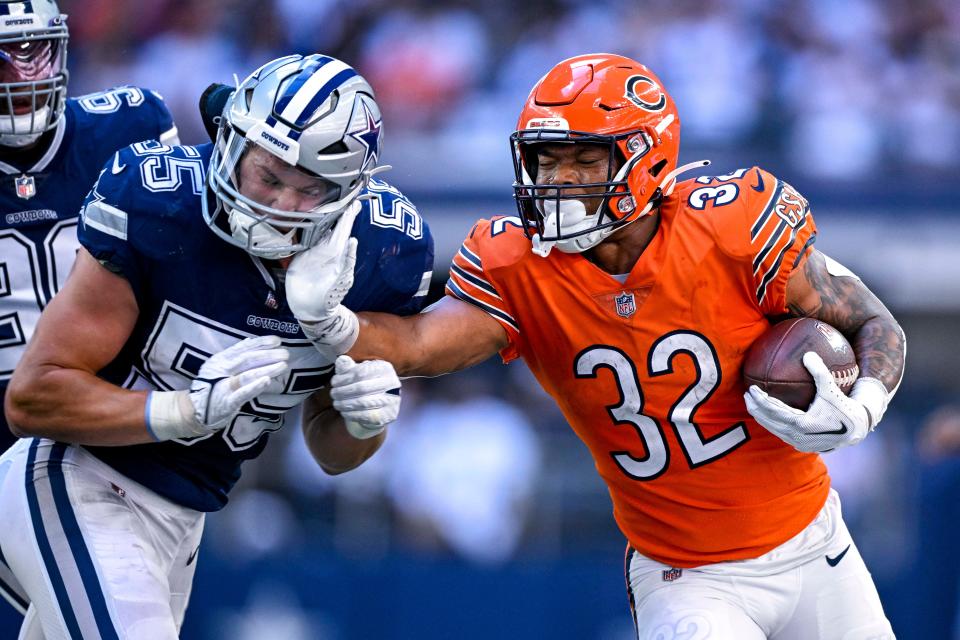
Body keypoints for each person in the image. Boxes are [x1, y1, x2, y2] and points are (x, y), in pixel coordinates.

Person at [289, 53, 906, 638]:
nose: (559, 179)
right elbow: (420, 342)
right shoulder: (520, 265)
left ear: (646, 159)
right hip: (686, 575)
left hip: (816, 540)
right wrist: (333, 322)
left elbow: (876, 324)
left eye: (584, 159)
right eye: (546, 160)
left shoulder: (732, 229)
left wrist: (864, 404)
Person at [1, 53, 433, 639]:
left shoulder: (379, 252)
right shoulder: (162, 204)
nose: (281, 205)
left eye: (310, 189)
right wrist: (182, 411)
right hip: (80, 477)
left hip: (189, 513)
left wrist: (364, 423)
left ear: (351, 190)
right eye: (269, 175)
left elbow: (333, 454)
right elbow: (33, 398)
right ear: (231, 144)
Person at [0, 0, 179, 619]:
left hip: (108, 421)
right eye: (3, 58)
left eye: (34, 52)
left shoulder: (126, 128)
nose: (21, 76)